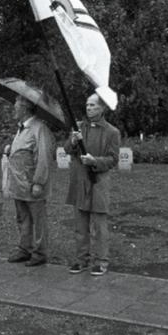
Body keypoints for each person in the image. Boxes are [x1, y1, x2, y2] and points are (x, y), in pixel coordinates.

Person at [64, 93, 120, 276]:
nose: (89, 108)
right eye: (87, 105)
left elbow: (113, 159)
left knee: (99, 226)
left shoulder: (112, 132)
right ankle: (82, 259)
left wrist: (94, 161)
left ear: (102, 108)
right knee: (80, 225)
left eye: (93, 105)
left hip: (98, 182)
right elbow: (67, 150)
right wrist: (73, 141)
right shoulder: (79, 127)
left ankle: (101, 261)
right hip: (80, 181)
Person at [3, 95, 55, 267]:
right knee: (22, 218)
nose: (13, 109)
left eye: (16, 106)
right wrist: (11, 150)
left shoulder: (39, 129)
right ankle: (25, 248)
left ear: (25, 108)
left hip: (32, 185)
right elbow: (23, 151)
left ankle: (40, 253)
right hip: (19, 185)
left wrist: (39, 182)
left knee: (38, 219)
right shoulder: (22, 128)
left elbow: (44, 157)